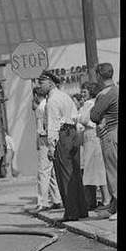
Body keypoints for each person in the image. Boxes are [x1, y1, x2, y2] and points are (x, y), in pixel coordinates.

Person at [38, 70, 87, 221]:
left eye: (42, 83)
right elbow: (75, 116)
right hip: (72, 133)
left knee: (65, 175)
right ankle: (81, 210)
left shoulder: (52, 101)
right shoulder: (65, 96)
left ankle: (71, 212)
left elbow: (52, 125)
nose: (39, 86)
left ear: (51, 83)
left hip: (62, 135)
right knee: (75, 174)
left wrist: (51, 148)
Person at [90, 62, 118, 220]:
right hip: (113, 131)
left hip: (109, 136)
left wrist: (100, 117)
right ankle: (113, 208)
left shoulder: (105, 94)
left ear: (99, 75)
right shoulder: (116, 90)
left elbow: (93, 116)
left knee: (113, 172)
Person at [77, 82, 107, 210]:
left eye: (85, 91)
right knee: (99, 170)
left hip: (91, 136)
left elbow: (83, 119)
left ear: (91, 91)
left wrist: (80, 119)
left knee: (95, 170)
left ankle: (104, 200)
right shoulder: (98, 102)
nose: (82, 94)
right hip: (95, 136)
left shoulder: (88, 103)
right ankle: (105, 199)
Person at [33, 86, 61, 211]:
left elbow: (42, 126)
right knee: (52, 171)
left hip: (45, 138)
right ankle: (56, 198)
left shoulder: (41, 107)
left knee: (43, 171)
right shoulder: (47, 104)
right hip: (51, 137)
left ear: (35, 95)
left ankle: (43, 201)